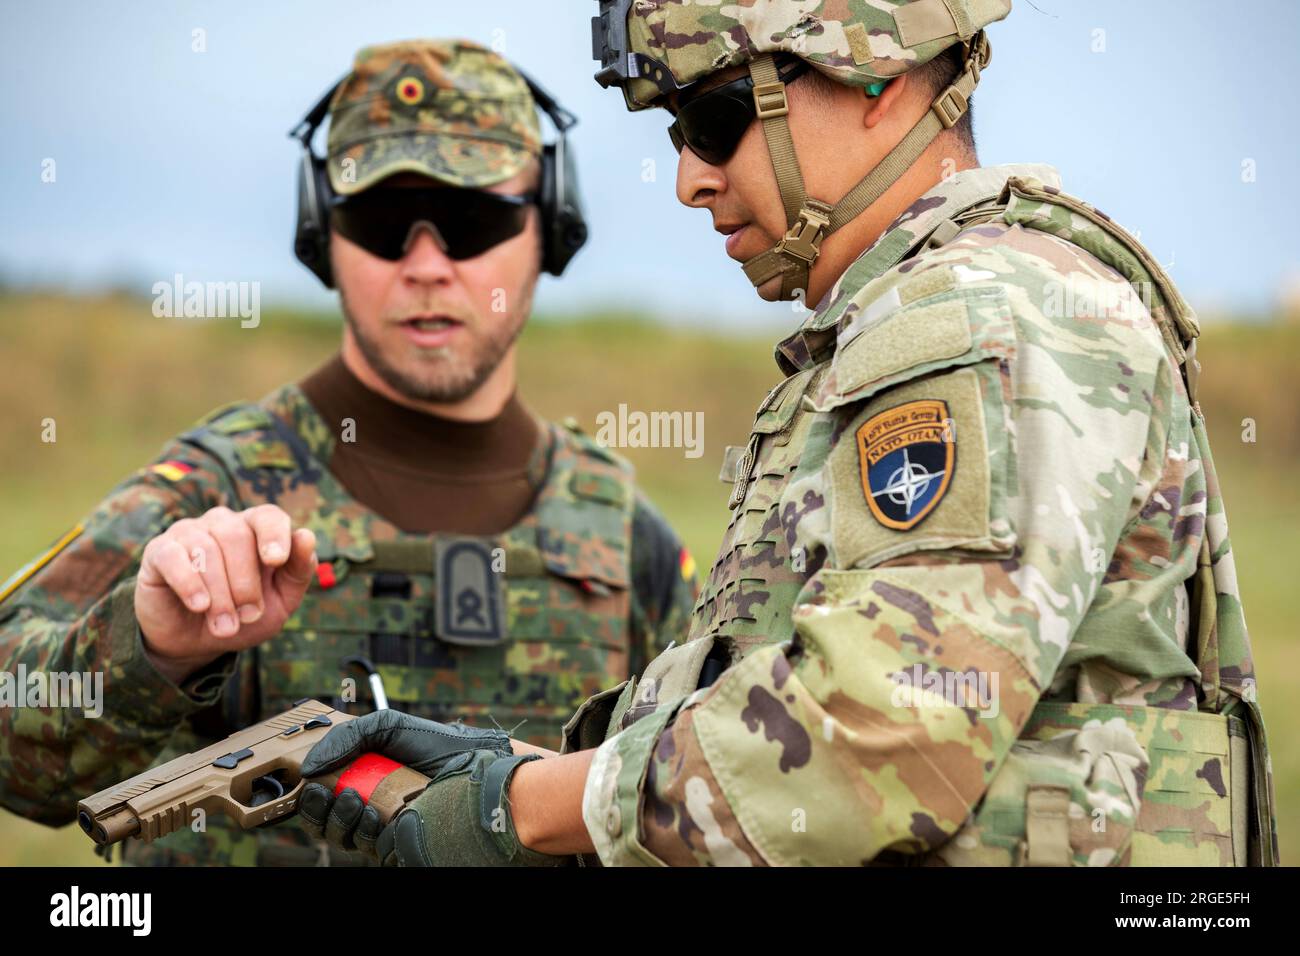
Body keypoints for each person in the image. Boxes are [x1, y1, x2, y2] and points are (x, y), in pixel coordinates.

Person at [297, 1, 1277, 867]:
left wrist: (518, 810)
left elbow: (876, 738)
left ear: (876, 76)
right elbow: (772, 687)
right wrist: (513, 766)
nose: (690, 179)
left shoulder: (979, 319)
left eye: (716, 120)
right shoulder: (912, 319)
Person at [0, 38, 697, 867]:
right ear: (320, 233)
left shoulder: (629, 540)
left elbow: (711, 797)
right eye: (383, 222)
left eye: (472, 220)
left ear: (552, 223)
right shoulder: (213, 492)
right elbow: (18, 751)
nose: (428, 265)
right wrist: (152, 646)